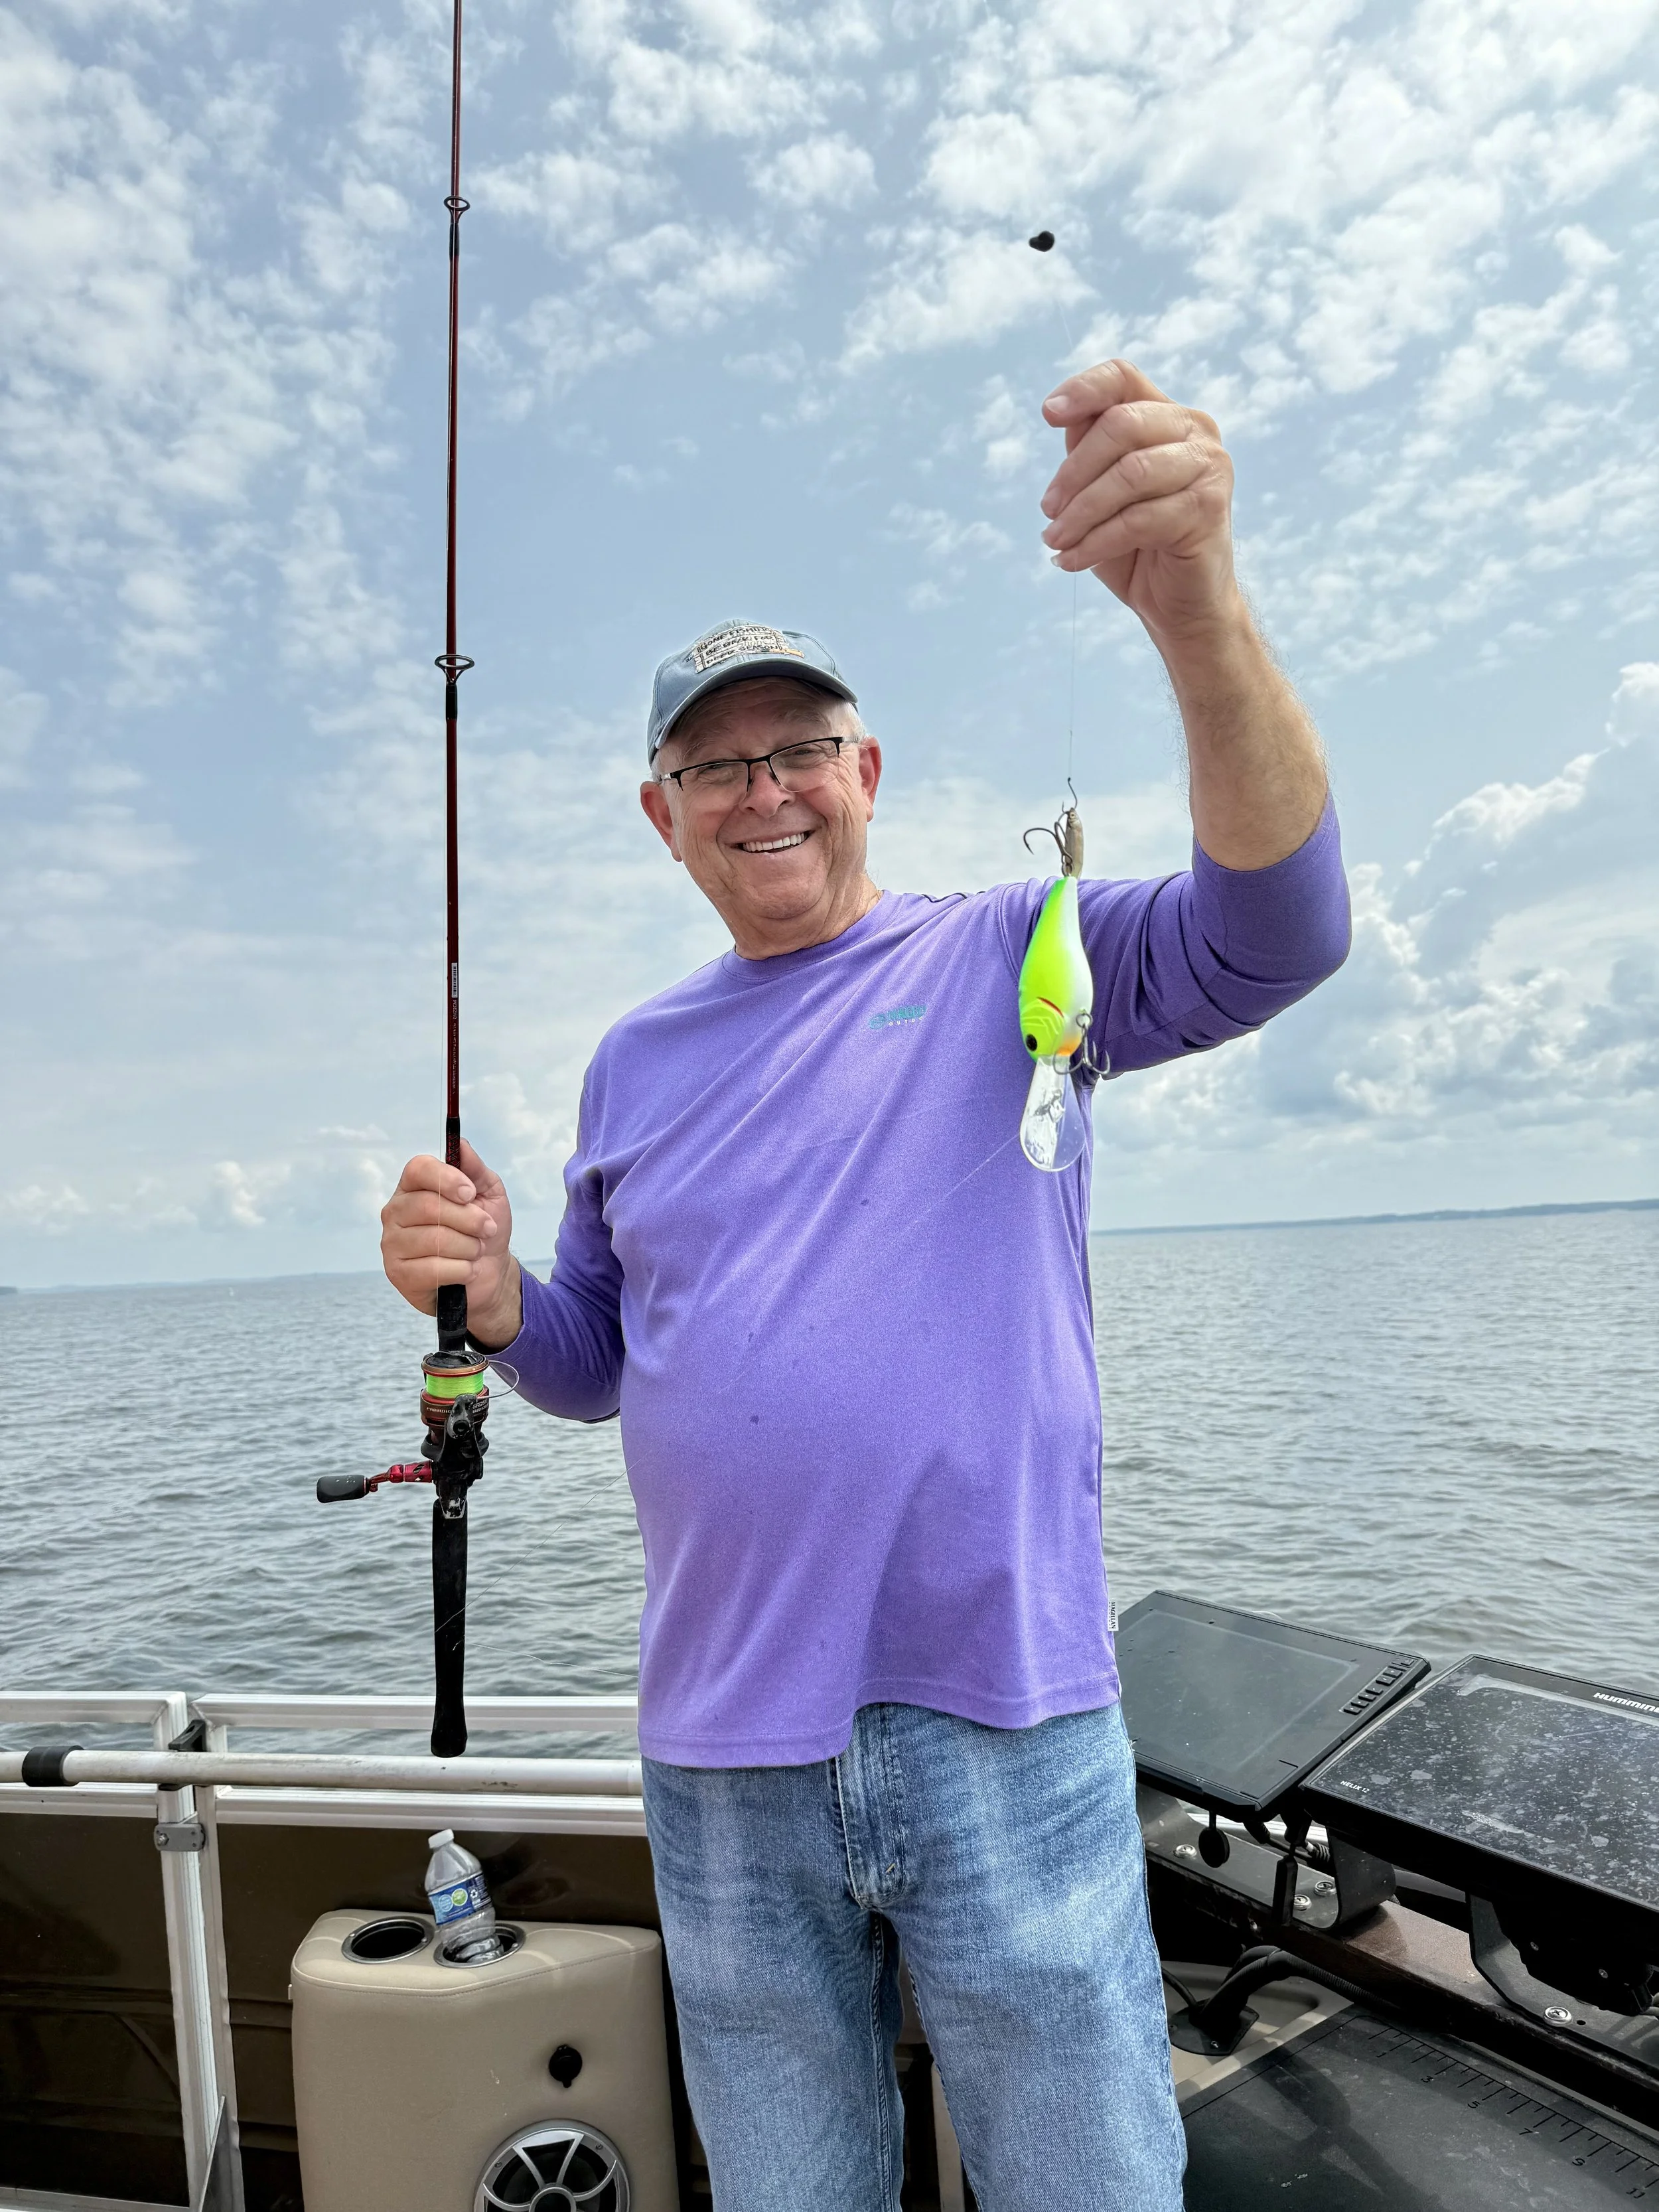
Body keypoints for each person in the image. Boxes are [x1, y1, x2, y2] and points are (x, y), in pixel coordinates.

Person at [380, 359, 1350, 2210]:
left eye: (798, 746)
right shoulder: (628, 1063)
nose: (764, 789)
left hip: (1000, 1707)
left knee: (1079, 2178)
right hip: (723, 1750)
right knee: (787, 2186)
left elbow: (1273, 931)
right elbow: (594, 1357)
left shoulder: (1013, 951)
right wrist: (497, 1295)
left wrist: (1195, 604)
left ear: (867, 772)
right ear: (659, 811)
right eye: (715, 761)